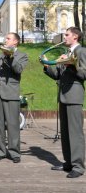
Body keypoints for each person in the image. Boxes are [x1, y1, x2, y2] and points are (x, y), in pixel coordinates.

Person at [42, 27, 86, 178]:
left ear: (75, 37)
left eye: (67, 35)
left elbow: (84, 73)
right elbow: (58, 75)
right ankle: (68, 162)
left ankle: (78, 167)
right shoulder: (67, 53)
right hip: (64, 96)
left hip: (74, 96)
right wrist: (47, 66)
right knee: (66, 133)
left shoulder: (81, 51)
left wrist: (71, 65)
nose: (64, 37)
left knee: (75, 133)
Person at [0, 33, 28, 163]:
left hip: (11, 93)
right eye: (6, 38)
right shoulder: (1, 54)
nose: (5, 40)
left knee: (13, 124)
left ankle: (14, 153)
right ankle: (1, 151)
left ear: (15, 42)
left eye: (8, 38)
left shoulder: (22, 56)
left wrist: (10, 56)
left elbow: (17, 69)